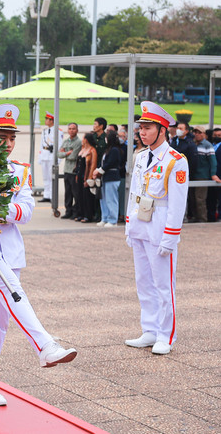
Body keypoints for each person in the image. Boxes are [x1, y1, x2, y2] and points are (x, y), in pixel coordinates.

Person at [0, 104, 77, 407]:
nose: (8, 143)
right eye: (1, 137)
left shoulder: (21, 171)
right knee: (14, 292)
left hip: (11, 251)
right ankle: (44, 345)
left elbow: (25, 212)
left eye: (11, 137)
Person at [125, 102, 189, 355]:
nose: (142, 132)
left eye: (148, 128)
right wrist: (128, 225)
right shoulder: (141, 157)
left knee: (164, 284)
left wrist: (171, 236)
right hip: (140, 221)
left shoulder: (176, 161)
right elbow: (134, 192)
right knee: (144, 281)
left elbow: (177, 202)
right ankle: (150, 329)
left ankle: (165, 335)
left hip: (161, 224)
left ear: (162, 130)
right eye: (141, 127)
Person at [190, 127, 220, 222]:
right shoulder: (192, 144)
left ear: (204, 134)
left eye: (199, 132)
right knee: (192, 199)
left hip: (202, 176)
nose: (197, 134)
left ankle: (202, 219)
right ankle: (195, 217)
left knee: (200, 199)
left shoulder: (207, 145)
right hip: (192, 175)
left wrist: (213, 174)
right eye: (195, 132)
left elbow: (213, 161)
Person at [94, 130, 122, 227]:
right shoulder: (108, 149)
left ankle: (113, 220)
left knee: (111, 199)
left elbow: (110, 163)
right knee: (104, 199)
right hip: (106, 177)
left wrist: (101, 170)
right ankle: (105, 217)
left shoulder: (114, 150)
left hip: (112, 177)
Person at [57, 123, 81, 219]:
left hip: (73, 170)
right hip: (66, 170)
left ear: (77, 130)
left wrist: (65, 153)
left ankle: (76, 212)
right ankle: (68, 211)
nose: (71, 130)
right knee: (68, 193)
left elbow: (73, 156)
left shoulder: (78, 142)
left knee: (75, 193)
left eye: (73, 129)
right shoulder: (66, 141)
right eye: (70, 129)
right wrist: (67, 152)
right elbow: (59, 154)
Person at [38, 111, 61, 202]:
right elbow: (41, 145)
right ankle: (46, 195)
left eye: (47, 119)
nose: (45, 120)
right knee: (45, 177)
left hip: (52, 156)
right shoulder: (44, 131)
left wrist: (58, 159)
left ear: (51, 120)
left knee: (52, 177)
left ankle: (52, 195)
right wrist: (40, 157)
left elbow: (59, 145)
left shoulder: (58, 131)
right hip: (44, 155)